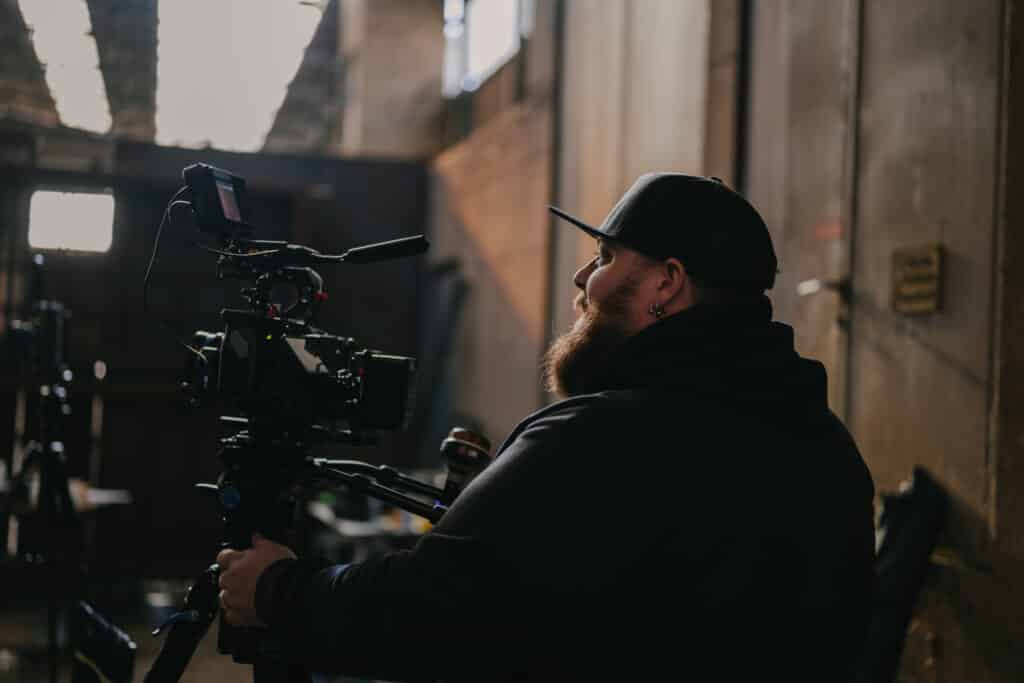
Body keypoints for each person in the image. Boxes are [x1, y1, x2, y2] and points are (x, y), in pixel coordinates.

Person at [216, 173, 876, 682]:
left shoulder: (599, 436)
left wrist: (276, 589)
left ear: (666, 286)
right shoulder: (828, 446)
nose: (583, 277)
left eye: (607, 254)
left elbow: (425, 610)